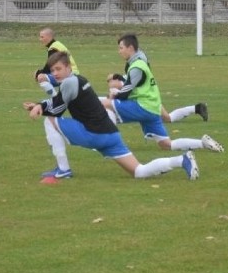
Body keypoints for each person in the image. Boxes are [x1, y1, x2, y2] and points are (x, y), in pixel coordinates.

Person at [23, 51, 199, 180]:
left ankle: (63, 169)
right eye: (52, 71)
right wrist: (40, 105)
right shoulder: (78, 79)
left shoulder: (69, 83)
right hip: (111, 134)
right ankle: (181, 160)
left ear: (68, 67)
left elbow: (58, 109)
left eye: (58, 69)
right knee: (139, 171)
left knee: (50, 121)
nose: (54, 74)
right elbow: (59, 100)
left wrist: (41, 108)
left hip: (94, 133)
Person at [102, 33, 224, 153]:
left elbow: (127, 91)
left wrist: (115, 93)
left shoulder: (137, 66)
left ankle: (107, 143)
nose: (119, 51)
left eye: (121, 48)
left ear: (130, 48)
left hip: (144, 105)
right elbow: (134, 83)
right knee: (166, 144)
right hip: (153, 107)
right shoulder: (138, 60)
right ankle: (202, 143)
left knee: (105, 104)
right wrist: (119, 82)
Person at [34, 27, 79, 95]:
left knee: (41, 77)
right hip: (72, 73)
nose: (40, 39)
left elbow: (50, 66)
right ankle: (59, 97)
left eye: (42, 37)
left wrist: (38, 73)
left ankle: (56, 99)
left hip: (70, 74)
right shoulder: (57, 45)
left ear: (49, 37)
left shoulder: (53, 48)